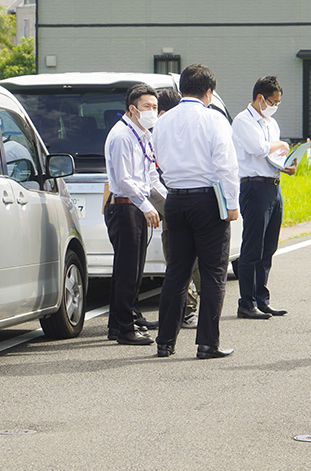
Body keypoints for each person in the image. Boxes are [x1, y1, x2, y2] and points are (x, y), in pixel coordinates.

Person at [152, 64, 240, 359]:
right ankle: (207, 343)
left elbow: (159, 160)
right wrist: (232, 203)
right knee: (214, 272)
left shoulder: (163, 121)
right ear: (209, 92)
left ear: (181, 87)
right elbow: (226, 165)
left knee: (176, 272)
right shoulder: (214, 119)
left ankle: (165, 342)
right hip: (208, 199)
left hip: (175, 199)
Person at [103, 83, 165, 345]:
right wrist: (147, 205)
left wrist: (166, 200)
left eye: (155, 107)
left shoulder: (143, 135)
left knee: (131, 269)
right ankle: (127, 329)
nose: (152, 111)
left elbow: (150, 175)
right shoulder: (121, 136)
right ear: (132, 109)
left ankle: (118, 324)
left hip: (135, 205)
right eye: (147, 107)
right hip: (125, 205)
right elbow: (125, 179)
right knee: (128, 270)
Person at [232, 75, 296, 319]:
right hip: (253, 187)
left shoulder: (271, 122)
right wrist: (280, 144)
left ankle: (262, 299)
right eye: (273, 101)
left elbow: (275, 156)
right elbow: (259, 148)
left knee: (269, 246)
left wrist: (287, 165)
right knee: (252, 247)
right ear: (260, 98)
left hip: (273, 186)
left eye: (278, 102)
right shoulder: (243, 120)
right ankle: (246, 303)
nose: (275, 106)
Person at [155, 88, 200, 329]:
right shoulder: (170, 131)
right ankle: (187, 308)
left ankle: (189, 308)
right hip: (175, 203)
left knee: (181, 261)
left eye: (154, 109)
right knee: (179, 260)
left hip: (174, 203)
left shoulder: (167, 131)